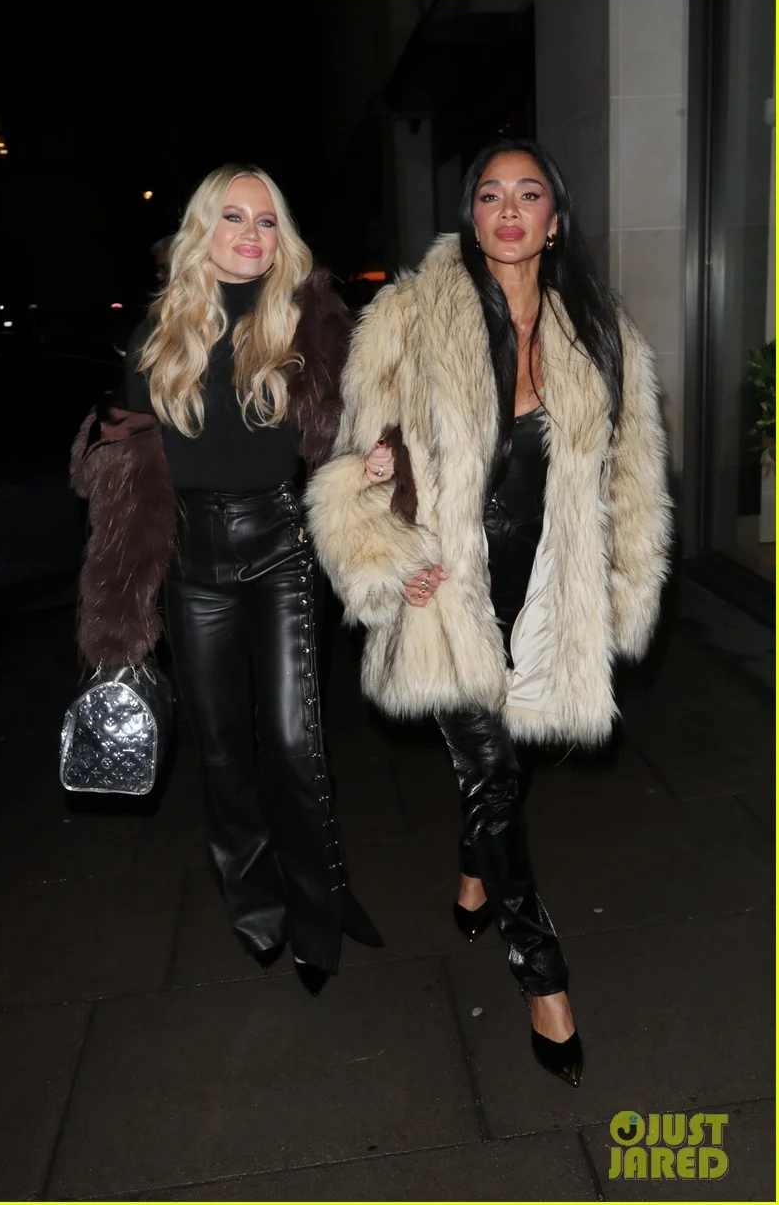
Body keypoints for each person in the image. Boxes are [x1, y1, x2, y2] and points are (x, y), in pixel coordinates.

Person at [306, 138, 672, 1082]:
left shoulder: (602, 332)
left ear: (554, 219)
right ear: (470, 215)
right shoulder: (406, 318)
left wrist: (621, 594)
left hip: (551, 588)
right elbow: (352, 465)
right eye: (490, 195)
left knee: (515, 766)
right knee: (495, 776)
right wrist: (385, 554)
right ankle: (540, 972)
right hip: (448, 591)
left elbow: (632, 482)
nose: (508, 210)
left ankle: (475, 860)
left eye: (528, 194)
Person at [70, 164, 383, 996]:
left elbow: (354, 426)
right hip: (192, 561)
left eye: (267, 219)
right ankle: (254, 901)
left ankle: (318, 905)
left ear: (283, 236)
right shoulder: (156, 335)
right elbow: (126, 481)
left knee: (294, 741)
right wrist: (120, 599)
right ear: (202, 231)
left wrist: (374, 458)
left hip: (282, 547)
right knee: (221, 749)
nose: (251, 233)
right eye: (233, 217)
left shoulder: (311, 323)